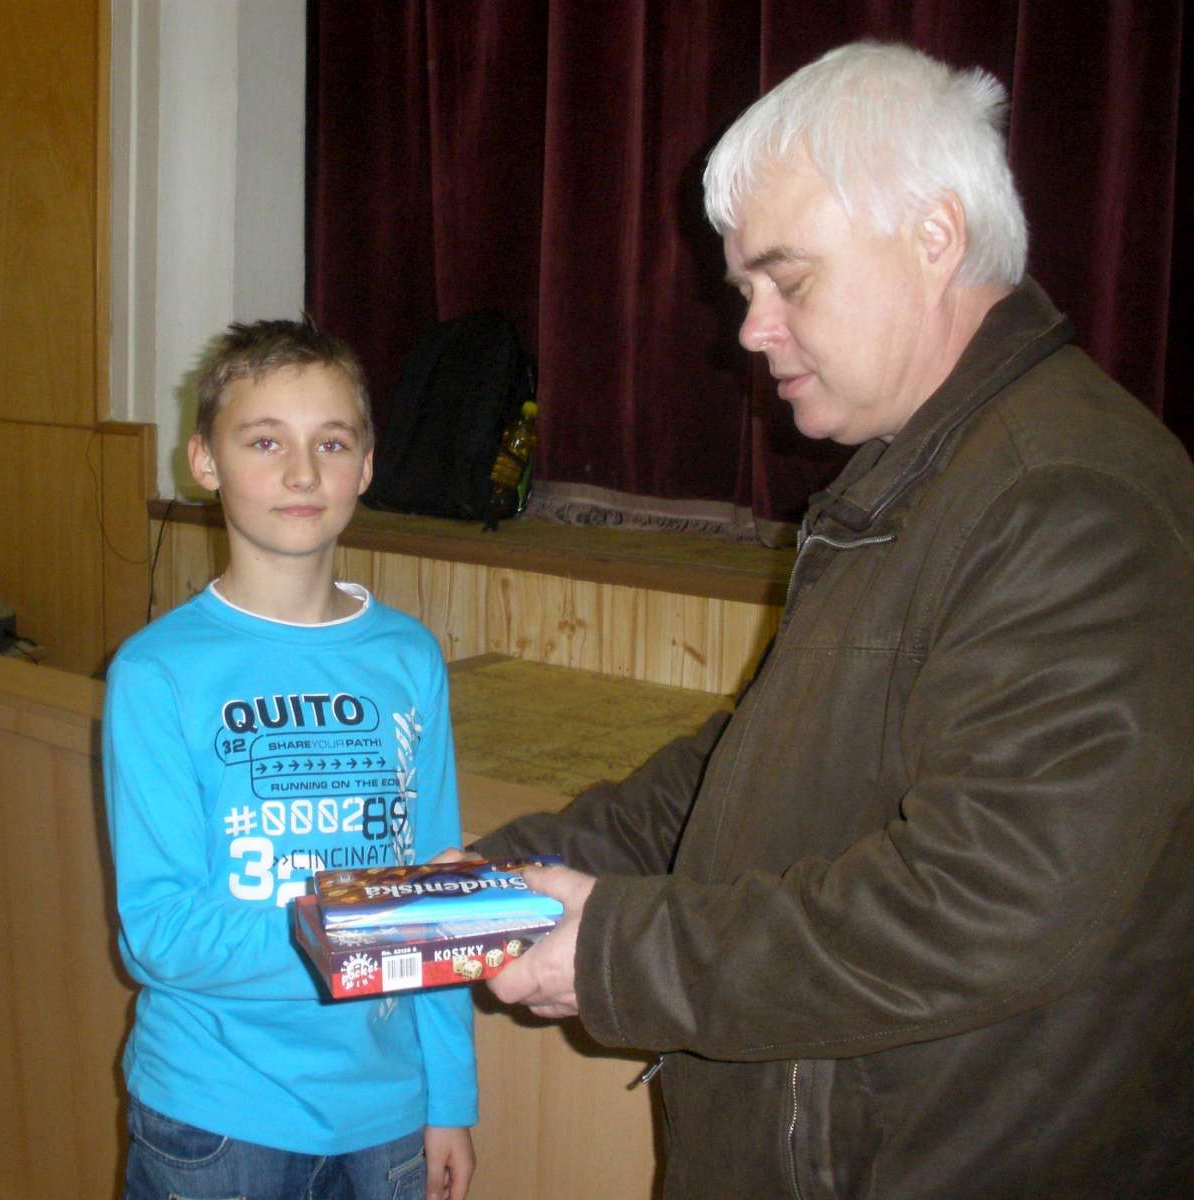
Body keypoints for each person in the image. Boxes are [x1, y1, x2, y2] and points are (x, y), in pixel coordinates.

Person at [470, 41, 1194, 1198]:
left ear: (934, 235)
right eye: (745, 291)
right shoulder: (923, 473)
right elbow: (760, 765)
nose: (750, 330)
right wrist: (514, 869)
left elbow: (989, 904)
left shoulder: (1065, 498)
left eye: (788, 280)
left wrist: (617, 953)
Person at [102, 318, 477, 1200]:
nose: (303, 472)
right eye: (265, 441)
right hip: (216, 1114)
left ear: (367, 465)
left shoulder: (409, 658)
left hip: (387, 1112)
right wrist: (370, 929)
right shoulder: (157, 672)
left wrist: (451, 1097)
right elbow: (160, 933)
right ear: (205, 461)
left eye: (331, 443)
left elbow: (437, 892)